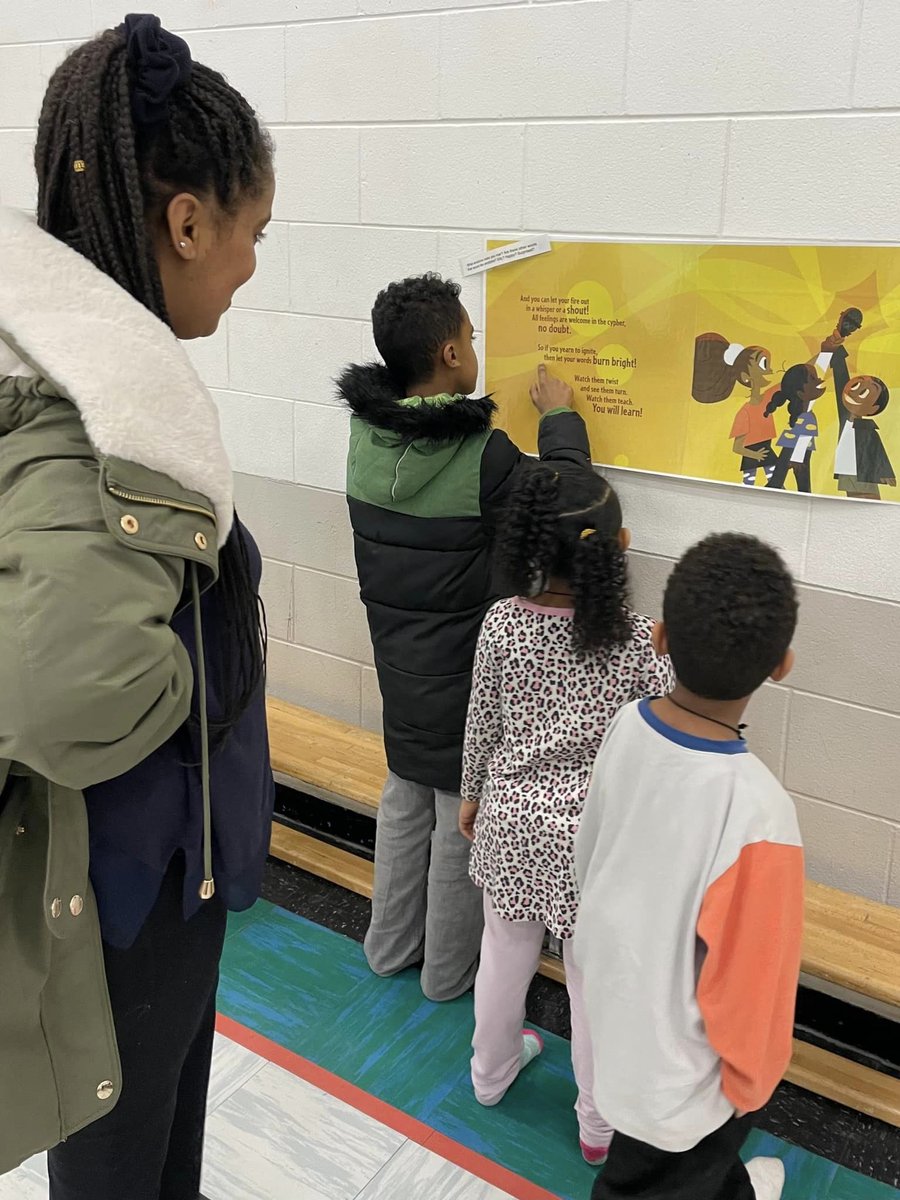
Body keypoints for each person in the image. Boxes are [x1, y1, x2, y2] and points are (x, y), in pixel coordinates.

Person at [0, 15, 275, 1199]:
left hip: (146, 881)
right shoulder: (94, 419)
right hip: (118, 903)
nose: (252, 266)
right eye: (253, 233)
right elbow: (68, 688)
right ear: (186, 221)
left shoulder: (72, 381)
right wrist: (176, 667)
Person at [338, 273, 592, 1002]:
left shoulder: (360, 438)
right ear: (451, 353)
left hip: (399, 671)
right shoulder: (485, 456)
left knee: (402, 798)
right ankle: (448, 978)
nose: (477, 348)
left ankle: (387, 949)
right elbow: (570, 500)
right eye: (474, 339)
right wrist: (560, 419)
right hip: (465, 684)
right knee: (457, 821)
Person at [574, 533, 804, 1200]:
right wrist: (752, 1086)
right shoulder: (761, 813)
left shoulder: (625, 727)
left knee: (678, 1170)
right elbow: (756, 982)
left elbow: (590, 861)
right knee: (657, 1180)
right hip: (687, 1085)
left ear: (660, 637)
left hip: (614, 1022)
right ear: (781, 666)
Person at [458, 463, 673, 1165]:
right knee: (590, 983)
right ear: (620, 547)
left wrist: (471, 794)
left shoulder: (501, 624)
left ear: (524, 549)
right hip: (596, 841)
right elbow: (665, 736)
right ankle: (598, 1123)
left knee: (503, 953)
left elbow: (482, 720)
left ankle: (489, 1075)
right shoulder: (641, 638)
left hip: (511, 819)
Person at [824, 312, 896, 499]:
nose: (854, 390)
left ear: (873, 409)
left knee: (867, 502)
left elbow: (875, 448)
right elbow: (841, 378)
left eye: (863, 392)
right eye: (857, 384)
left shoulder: (866, 428)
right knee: (854, 501)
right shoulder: (845, 414)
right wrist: (836, 347)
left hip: (862, 471)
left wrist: (885, 472)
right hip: (848, 469)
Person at [691, 333, 775, 485]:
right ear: (745, 377)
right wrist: (755, 455)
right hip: (753, 456)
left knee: (777, 483)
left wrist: (823, 354)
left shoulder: (768, 399)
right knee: (748, 486)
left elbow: (795, 378)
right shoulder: (745, 413)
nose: (770, 371)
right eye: (764, 364)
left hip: (766, 452)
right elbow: (737, 447)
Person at [764, 363, 826, 492]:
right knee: (792, 475)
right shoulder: (807, 415)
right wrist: (797, 458)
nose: (819, 380)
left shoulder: (806, 410)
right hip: (797, 446)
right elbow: (804, 434)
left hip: (796, 444)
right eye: (813, 379)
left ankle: (790, 490)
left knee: (786, 474)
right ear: (800, 393)